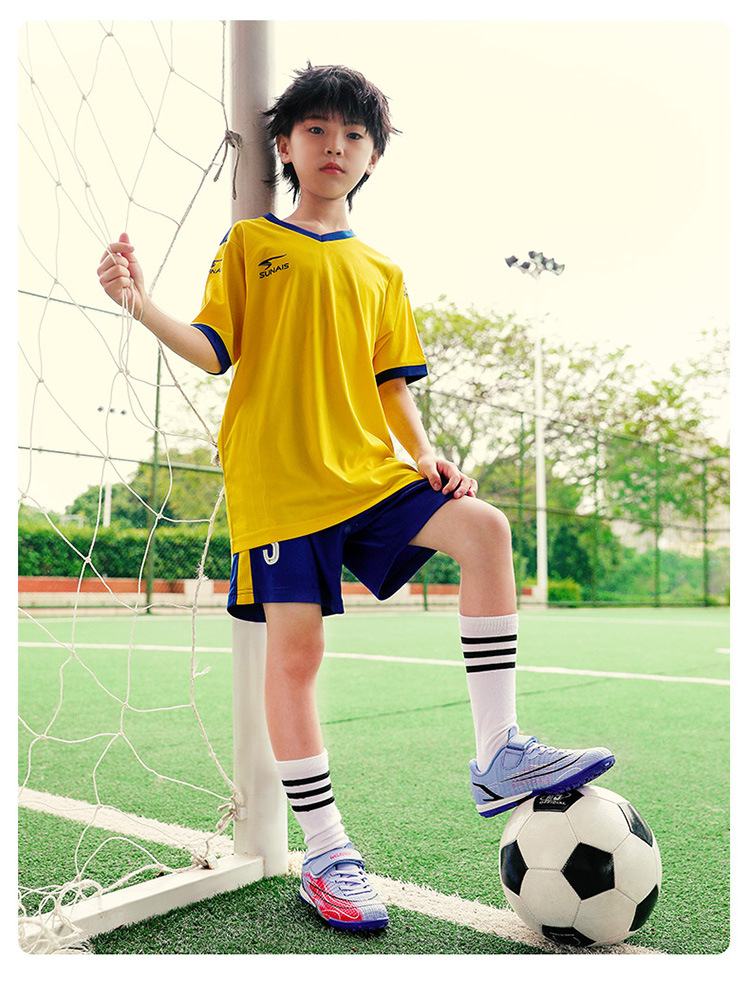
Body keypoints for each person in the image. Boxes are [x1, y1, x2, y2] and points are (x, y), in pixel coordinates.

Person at [97, 64, 614, 934]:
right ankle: (330, 852)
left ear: (373, 157)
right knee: (296, 658)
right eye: (318, 131)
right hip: (281, 483)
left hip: (371, 469)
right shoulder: (252, 244)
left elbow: (393, 385)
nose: (335, 146)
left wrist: (427, 454)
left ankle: (500, 752)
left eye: (354, 135)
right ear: (288, 145)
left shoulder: (382, 270)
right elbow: (213, 348)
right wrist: (138, 302)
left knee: (484, 530)